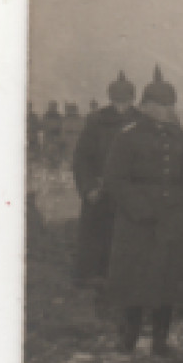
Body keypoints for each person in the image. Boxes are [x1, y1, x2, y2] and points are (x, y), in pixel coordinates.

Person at [102, 66, 183, 355]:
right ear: (146, 106)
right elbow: (115, 179)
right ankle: (128, 339)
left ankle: (160, 341)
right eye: (162, 105)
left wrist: (182, 218)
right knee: (134, 281)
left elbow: (181, 181)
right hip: (137, 222)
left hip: (169, 220)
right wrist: (139, 209)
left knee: (165, 280)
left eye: (170, 105)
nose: (167, 110)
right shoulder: (127, 136)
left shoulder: (178, 136)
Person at [71, 71, 137, 287]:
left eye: (125, 101)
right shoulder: (96, 121)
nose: (121, 106)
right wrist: (89, 187)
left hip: (130, 191)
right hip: (101, 190)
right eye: (117, 101)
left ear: (132, 99)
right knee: (98, 237)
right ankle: (94, 279)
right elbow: (82, 159)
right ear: (110, 98)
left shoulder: (140, 121)